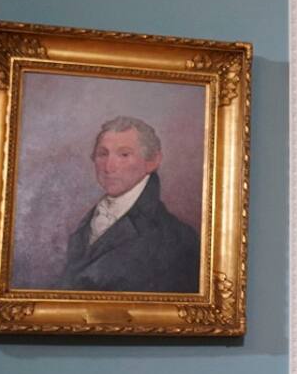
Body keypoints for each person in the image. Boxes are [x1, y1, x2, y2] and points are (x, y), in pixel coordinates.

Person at [59, 116, 200, 293]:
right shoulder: (91, 219)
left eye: (124, 154)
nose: (109, 167)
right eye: (103, 154)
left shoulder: (177, 238)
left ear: (152, 162)